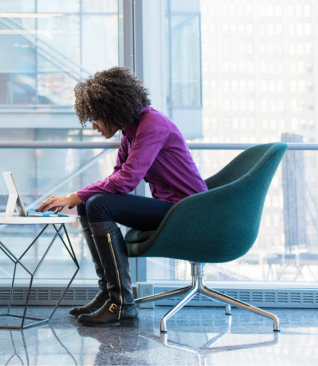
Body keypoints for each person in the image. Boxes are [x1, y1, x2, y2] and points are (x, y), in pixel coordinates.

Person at [37, 67, 207, 326]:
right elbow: (117, 176)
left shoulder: (152, 125)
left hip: (188, 211)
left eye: (95, 119)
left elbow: (127, 180)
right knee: (90, 204)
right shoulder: (132, 131)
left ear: (112, 110)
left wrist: (74, 195)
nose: (93, 126)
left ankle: (122, 303)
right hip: (171, 207)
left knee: (96, 203)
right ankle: (108, 294)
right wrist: (78, 198)